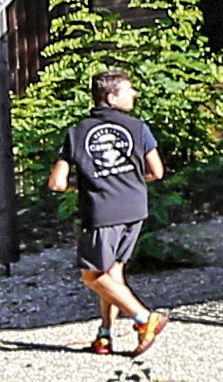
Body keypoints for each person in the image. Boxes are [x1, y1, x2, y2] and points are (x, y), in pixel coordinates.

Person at [49, 68, 170, 356]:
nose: (135, 94)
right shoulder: (139, 127)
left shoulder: (77, 132)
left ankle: (144, 318)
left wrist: (87, 183)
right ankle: (105, 335)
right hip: (135, 207)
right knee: (113, 273)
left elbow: (56, 183)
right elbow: (157, 171)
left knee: (92, 277)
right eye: (129, 90)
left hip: (102, 211)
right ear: (111, 97)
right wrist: (126, 180)